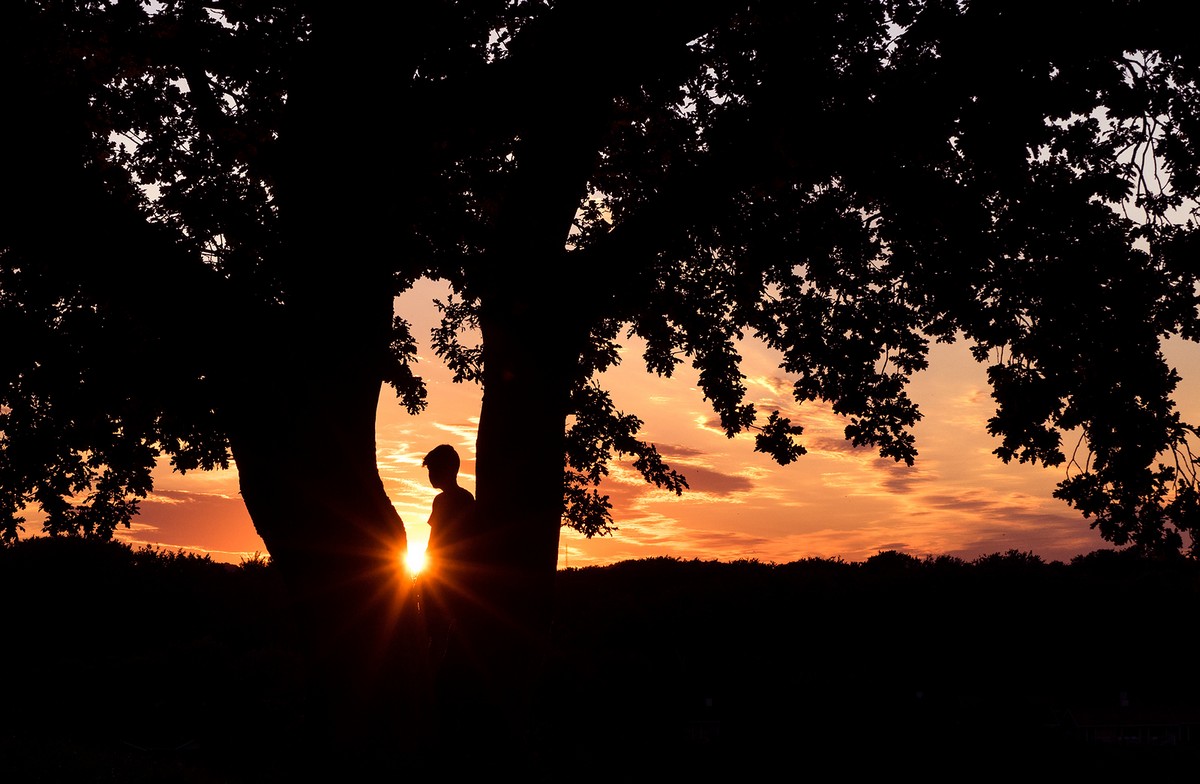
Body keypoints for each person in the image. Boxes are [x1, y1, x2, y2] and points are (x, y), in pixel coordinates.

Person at [419, 444, 476, 668]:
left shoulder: (463, 500)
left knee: (444, 631)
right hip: (436, 574)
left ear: (450, 469)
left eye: (434, 470)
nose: (431, 476)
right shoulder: (440, 501)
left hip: (453, 577)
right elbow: (434, 541)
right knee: (432, 631)